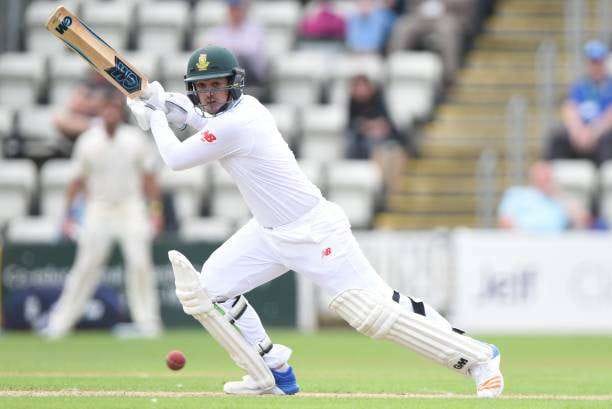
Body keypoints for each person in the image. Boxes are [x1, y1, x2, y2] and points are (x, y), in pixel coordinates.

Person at [128, 45, 503, 397]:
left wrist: (156, 118)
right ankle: (273, 369)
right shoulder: (233, 116)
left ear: (233, 85)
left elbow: (176, 159)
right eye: (202, 87)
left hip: (313, 230)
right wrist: (164, 105)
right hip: (267, 232)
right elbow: (198, 121)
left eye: (217, 85)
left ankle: (480, 358)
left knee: (373, 315)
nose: (209, 93)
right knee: (210, 288)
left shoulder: (239, 121)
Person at [40, 88, 164, 339]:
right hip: (98, 208)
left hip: (131, 208)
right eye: (106, 110)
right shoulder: (88, 140)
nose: (110, 114)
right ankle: (60, 323)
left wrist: (156, 211)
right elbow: (76, 181)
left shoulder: (134, 139)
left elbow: (149, 178)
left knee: (140, 264)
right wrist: (67, 215)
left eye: (115, 110)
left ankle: (148, 323)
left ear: (120, 113)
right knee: (86, 266)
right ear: (100, 113)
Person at [545, 40, 612, 166]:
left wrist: (593, 133)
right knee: (557, 138)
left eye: (598, 62)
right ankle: (551, 177)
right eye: (592, 62)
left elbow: (609, 116)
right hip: (580, 135)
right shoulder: (579, 86)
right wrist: (577, 131)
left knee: (607, 142)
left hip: (602, 135)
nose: (595, 66)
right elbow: (570, 108)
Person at [387, 0, 475, 85]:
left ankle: (449, 77)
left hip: (449, 15)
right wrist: (424, 6)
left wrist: (442, 5)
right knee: (403, 26)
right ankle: (391, 70)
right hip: (421, 14)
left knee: (448, 29)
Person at [347, 73, 409, 192]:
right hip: (362, 142)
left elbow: (386, 123)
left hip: (383, 139)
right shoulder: (352, 103)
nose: (360, 91)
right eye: (357, 87)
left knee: (389, 150)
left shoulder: (379, 99)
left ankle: (388, 185)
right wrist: (367, 126)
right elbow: (353, 125)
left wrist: (372, 126)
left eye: (363, 86)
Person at [498, 161, 591, 232]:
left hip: (555, 246)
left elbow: (583, 221)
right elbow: (505, 222)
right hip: (522, 242)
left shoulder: (561, 200)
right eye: (541, 176)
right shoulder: (517, 194)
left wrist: (560, 196)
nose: (543, 179)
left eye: (547, 177)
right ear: (533, 177)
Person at [205, 0, 268, 99]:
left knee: (240, 59)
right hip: (224, 72)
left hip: (249, 75)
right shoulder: (219, 30)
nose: (235, 12)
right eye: (232, 9)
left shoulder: (254, 30)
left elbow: (250, 51)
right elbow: (210, 49)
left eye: (238, 9)